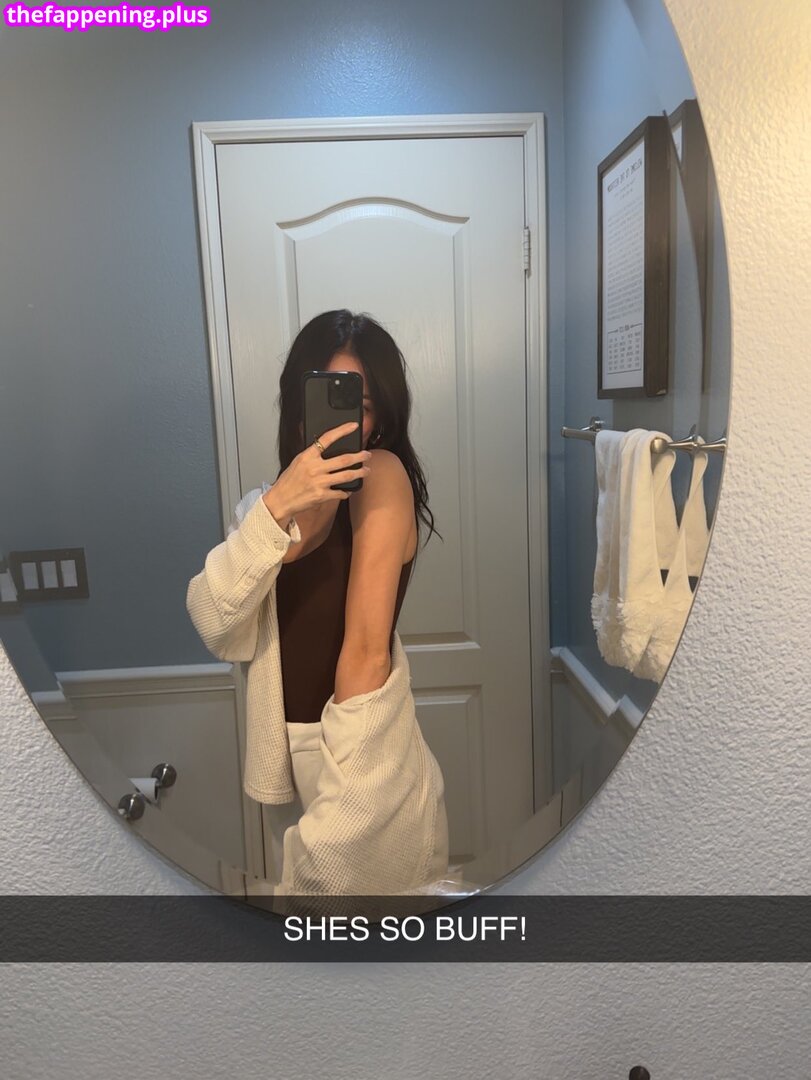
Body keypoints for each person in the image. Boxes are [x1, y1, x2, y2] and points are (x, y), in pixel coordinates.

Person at [187, 309, 449, 894]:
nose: (341, 421)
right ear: (297, 403)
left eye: (360, 404)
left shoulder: (381, 476)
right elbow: (214, 622)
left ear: (380, 418)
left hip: (364, 762)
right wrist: (281, 503)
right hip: (288, 764)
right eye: (325, 397)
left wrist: (343, 811)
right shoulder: (263, 508)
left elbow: (367, 654)